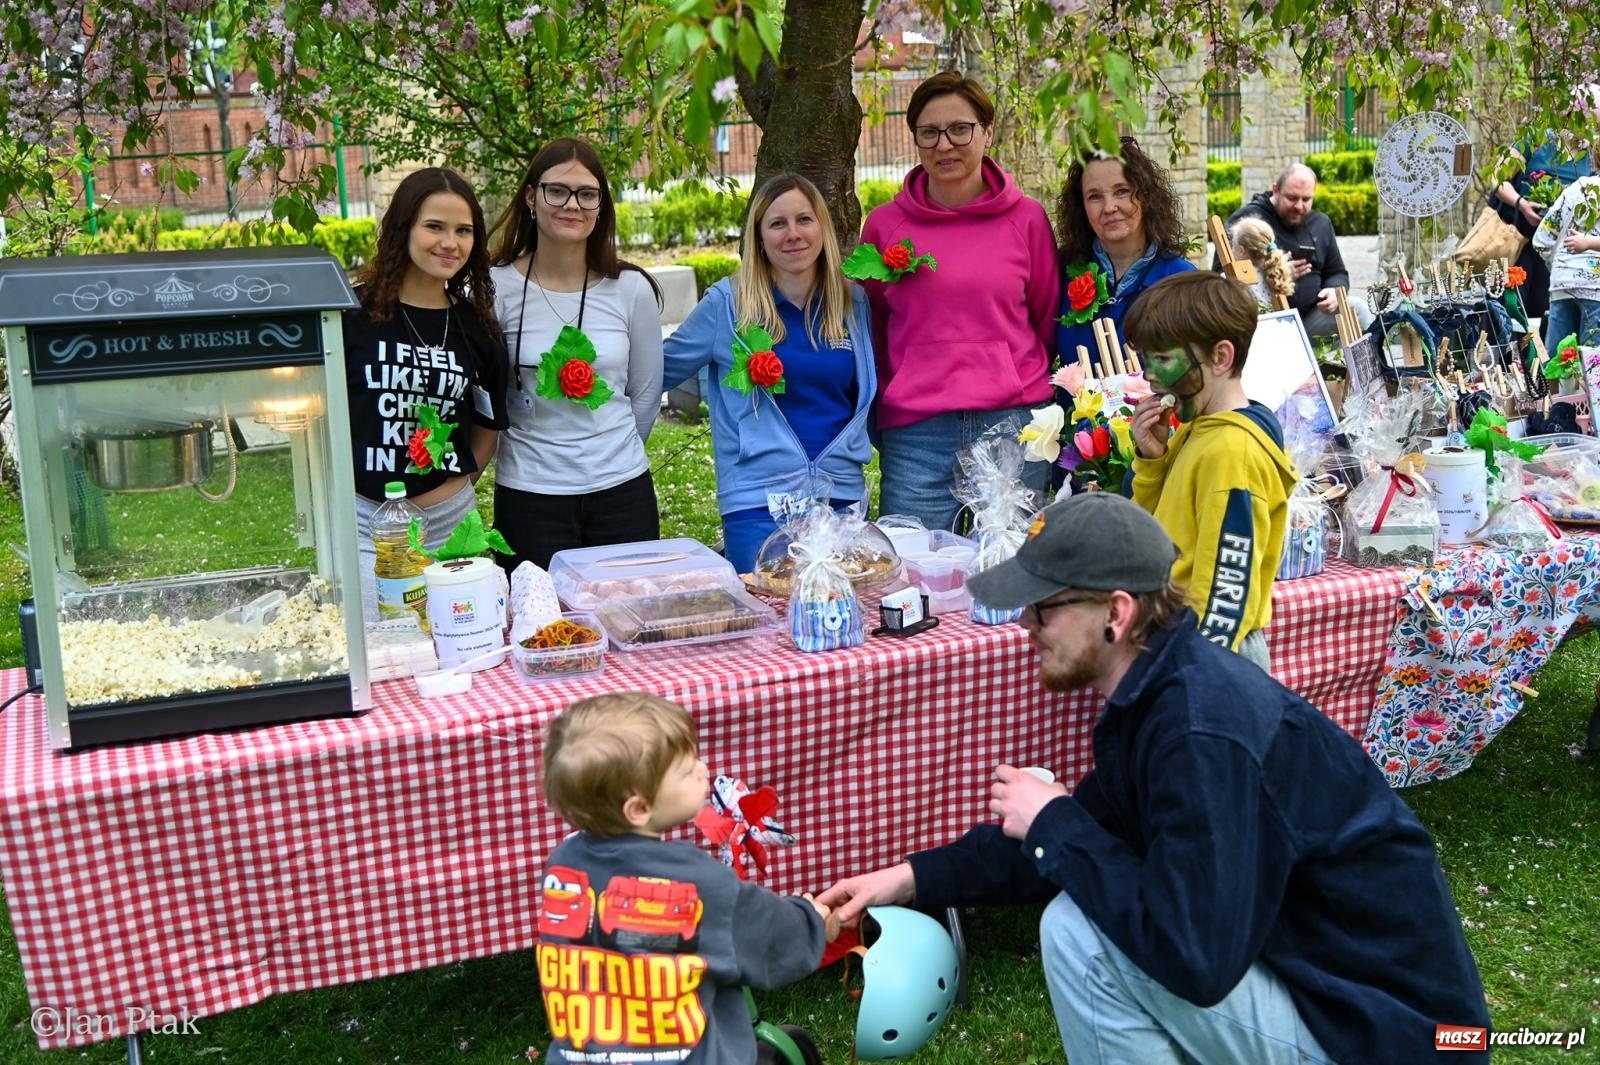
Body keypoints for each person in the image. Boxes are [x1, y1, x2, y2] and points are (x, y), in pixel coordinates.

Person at [816, 493, 1491, 1065]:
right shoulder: (1164, 690)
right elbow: (1092, 833)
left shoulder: (1198, 728)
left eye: (1043, 609)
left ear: (1116, 612)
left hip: (1395, 1035)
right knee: (1080, 902)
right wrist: (907, 877)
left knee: (1079, 933)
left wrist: (1055, 822)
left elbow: (1194, 957)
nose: (1025, 626)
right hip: (1337, 991)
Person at [537, 692, 838, 1064]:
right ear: (639, 808)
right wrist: (809, 919)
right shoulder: (694, 882)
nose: (703, 767)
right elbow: (768, 937)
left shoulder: (563, 867)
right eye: (686, 769)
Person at [859, 70, 1060, 532]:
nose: (944, 145)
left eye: (959, 129)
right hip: (917, 431)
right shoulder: (885, 225)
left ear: (987, 132)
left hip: (1013, 424)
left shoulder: (1027, 219)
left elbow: (1045, 317)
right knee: (913, 583)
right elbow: (873, 323)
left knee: (1014, 571)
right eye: (929, 133)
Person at [663, 173, 876, 573]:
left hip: (841, 502)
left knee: (841, 620)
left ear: (822, 228)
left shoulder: (854, 304)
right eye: (777, 223)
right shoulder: (727, 306)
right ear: (759, 238)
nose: (793, 234)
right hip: (758, 505)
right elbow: (655, 372)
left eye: (804, 220)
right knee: (767, 626)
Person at [343, 166, 510, 622]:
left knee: (465, 647)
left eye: (463, 231)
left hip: (451, 525)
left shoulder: (478, 329)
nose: (449, 243)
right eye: (434, 226)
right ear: (404, 228)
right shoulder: (351, 317)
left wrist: (451, 491)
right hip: (368, 529)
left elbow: (487, 429)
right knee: (383, 654)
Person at [489, 138, 664, 571]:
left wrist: (606, 459)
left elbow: (644, 395)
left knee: (627, 620)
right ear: (531, 197)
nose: (573, 204)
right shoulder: (495, 288)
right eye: (557, 191)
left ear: (601, 205)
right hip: (529, 497)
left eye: (588, 194)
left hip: (622, 494)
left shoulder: (631, 290)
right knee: (540, 628)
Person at [1123, 271, 1296, 669]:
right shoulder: (1200, 429)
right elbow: (1155, 535)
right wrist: (1153, 461)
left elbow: (1226, 585)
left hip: (1212, 653)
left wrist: (1198, 672)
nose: (1149, 375)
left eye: (1163, 358)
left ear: (1220, 357)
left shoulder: (1231, 450)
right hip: (1182, 638)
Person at [1054, 137, 1193, 375]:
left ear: (1146, 197)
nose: (1109, 207)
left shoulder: (1183, 282)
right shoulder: (1060, 273)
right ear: (1081, 207)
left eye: (1122, 191)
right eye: (1094, 196)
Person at [1221, 163, 1372, 339]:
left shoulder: (1321, 223)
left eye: (1306, 199)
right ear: (1276, 190)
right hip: (1267, 324)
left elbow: (1337, 271)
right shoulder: (1248, 221)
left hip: (1311, 318)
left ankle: (1334, 365)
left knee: (1357, 309)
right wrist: (1276, 274)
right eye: (1292, 198)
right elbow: (1223, 272)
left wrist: (1334, 291)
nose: (1299, 206)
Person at [1493, 133, 1594, 330]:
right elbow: (1497, 177)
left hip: (1567, 248)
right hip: (1521, 238)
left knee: (1549, 315)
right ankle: (1514, 358)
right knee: (1514, 308)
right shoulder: (1535, 137)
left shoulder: (1591, 148)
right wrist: (1520, 203)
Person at [1528, 165, 1600, 347]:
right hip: (1596, 288)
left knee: (1557, 358)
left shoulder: (1578, 187)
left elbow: (1542, 239)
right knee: (1592, 362)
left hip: (1562, 282)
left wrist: (1560, 263)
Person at [1228, 216, 1295, 312]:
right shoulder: (1273, 272)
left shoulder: (1234, 276)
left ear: (1242, 250)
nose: (1232, 251)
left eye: (1234, 247)